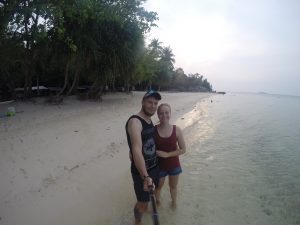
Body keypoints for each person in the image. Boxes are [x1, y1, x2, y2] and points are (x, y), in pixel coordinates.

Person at [125, 90, 162, 225]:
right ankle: (137, 223)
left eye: (155, 103)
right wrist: (145, 176)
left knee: (146, 201)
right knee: (142, 203)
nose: (153, 106)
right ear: (143, 102)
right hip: (142, 172)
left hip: (153, 168)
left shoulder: (149, 119)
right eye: (150, 102)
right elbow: (136, 148)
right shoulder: (135, 122)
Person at [154, 103, 186, 209]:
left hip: (174, 165)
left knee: (173, 187)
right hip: (159, 166)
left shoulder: (177, 130)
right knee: (158, 187)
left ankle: (173, 203)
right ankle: (157, 203)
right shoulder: (153, 131)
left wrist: (167, 154)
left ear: (170, 113)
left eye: (167, 112)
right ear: (158, 115)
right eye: (161, 113)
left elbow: (183, 149)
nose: (164, 115)